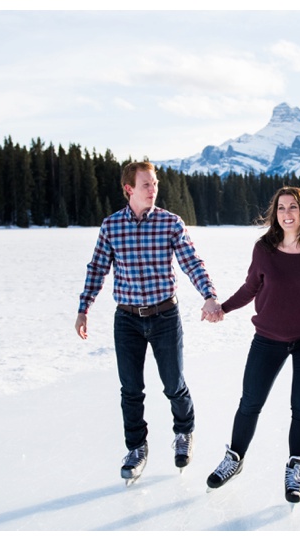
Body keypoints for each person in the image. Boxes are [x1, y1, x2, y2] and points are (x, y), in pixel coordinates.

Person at [205, 186, 300, 503]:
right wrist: (224, 308)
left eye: (293, 207)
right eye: (281, 208)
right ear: (275, 214)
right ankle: (235, 458)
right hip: (268, 338)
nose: (287, 214)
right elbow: (250, 288)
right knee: (250, 402)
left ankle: (295, 470)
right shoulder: (264, 249)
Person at [75, 161, 222, 484]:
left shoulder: (170, 223)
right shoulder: (111, 226)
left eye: (155, 184)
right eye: (146, 185)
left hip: (165, 316)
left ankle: (184, 432)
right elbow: (97, 268)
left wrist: (209, 295)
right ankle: (136, 448)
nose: (153, 189)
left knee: (174, 384)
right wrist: (84, 307)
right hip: (126, 319)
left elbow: (191, 262)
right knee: (131, 389)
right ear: (129, 188)